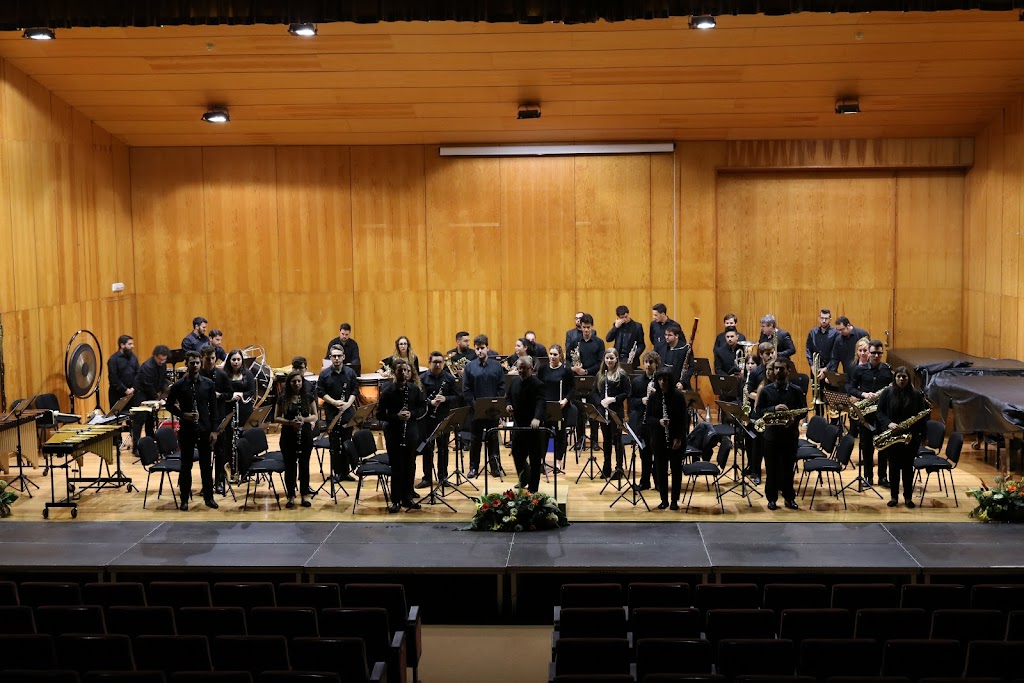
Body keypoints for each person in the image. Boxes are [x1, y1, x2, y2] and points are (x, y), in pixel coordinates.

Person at [165, 350, 219, 511]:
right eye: (192, 363)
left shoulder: (208, 384)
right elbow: (169, 405)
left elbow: (214, 409)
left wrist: (214, 431)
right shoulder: (178, 385)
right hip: (187, 430)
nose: (195, 365)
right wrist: (183, 414)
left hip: (204, 429)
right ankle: (184, 499)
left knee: (206, 466)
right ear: (186, 364)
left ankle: (209, 498)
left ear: (200, 363)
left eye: (197, 362)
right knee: (186, 466)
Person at [755, 358, 807, 511]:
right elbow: (759, 411)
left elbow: (803, 410)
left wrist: (793, 418)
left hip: (790, 435)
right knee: (771, 469)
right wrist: (774, 409)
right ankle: (771, 499)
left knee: (788, 469)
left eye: (781, 369)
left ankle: (789, 498)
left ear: (788, 371)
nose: (778, 371)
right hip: (771, 436)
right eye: (776, 368)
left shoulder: (796, 390)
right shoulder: (766, 390)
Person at [876, 366, 928, 508]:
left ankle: (908, 498)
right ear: (895, 378)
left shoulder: (916, 395)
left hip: (910, 437)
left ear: (908, 379)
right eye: (899, 376)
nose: (901, 379)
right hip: (893, 436)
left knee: (907, 468)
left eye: (904, 377)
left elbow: (922, 417)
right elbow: (879, 412)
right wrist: (889, 423)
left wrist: (923, 436)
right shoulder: (887, 392)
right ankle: (894, 497)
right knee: (893, 467)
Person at [378, 359, 426, 512]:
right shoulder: (387, 391)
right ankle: (396, 500)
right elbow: (380, 414)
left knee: (410, 465)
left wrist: (411, 414)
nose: (403, 373)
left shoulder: (414, 389)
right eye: (400, 370)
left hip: (411, 431)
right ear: (394, 372)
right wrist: (396, 416)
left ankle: (408, 498)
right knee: (397, 466)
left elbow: (423, 408)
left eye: (405, 370)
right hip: (394, 433)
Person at [848, 339, 894, 488]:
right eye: (873, 353)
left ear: (882, 354)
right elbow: (851, 388)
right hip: (866, 413)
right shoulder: (859, 370)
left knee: (883, 445)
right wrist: (863, 394)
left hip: (882, 414)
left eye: (878, 353)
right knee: (867, 446)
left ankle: (882, 477)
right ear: (868, 353)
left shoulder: (887, 370)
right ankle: (868, 476)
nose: (875, 356)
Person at [463, 335, 505, 478]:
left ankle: (495, 466)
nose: (480, 351)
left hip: (492, 411)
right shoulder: (469, 367)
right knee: (475, 439)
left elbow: (501, 387)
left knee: (493, 438)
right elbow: (466, 389)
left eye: (482, 348)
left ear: (487, 348)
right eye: (477, 349)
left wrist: (495, 404)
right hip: (476, 411)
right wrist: (475, 406)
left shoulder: (497, 366)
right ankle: (473, 467)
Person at [646, 368, 689, 510]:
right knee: (661, 470)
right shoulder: (653, 397)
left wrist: (679, 438)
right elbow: (648, 419)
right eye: (659, 380)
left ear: (670, 381)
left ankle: (674, 500)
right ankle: (663, 499)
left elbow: (684, 420)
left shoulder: (678, 396)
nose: (662, 382)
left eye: (665, 380)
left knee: (676, 470)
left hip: (676, 439)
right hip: (659, 439)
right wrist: (659, 422)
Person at [274, 370, 317, 508]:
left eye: (299, 381)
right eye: (294, 381)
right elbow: (276, 417)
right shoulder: (283, 398)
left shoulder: (308, 397)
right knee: (290, 466)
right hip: (288, 435)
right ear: (289, 383)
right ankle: (291, 496)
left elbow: (315, 416)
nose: (297, 384)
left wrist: (304, 419)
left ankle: (304, 494)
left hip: (304, 434)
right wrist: (290, 422)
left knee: (304, 465)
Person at [506, 356, 547, 492]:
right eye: (519, 368)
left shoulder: (538, 384)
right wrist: (509, 405)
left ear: (531, 368)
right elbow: (508, 398)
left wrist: (537, 418)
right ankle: (524, 479)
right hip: (519, 425)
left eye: (524, 368)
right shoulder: (514, 381)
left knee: (535, 459)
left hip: (533, 427)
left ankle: (533, 488)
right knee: (517, 454)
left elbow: (541, 403)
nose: (521, 371)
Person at [317, 345, 359, 483]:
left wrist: (347, 404)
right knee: (334, 445)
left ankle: (346, 472)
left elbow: (355, 390)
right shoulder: (324, 374)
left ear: (343, 357)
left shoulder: (350, 373)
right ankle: (337, 473)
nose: (336, 358)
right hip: (332, 413)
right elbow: (320, 392)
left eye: (339, 356)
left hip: (347, 413)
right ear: (330, 358)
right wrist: (334, 402)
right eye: (333, 356)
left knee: (346, 442)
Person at [417, 351, 457, 489]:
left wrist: (445, 399)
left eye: (440, 362)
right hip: (427, 419)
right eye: (435, 362)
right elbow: (419, 400)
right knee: (428, 449)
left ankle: (443, 477)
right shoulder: (422, 379)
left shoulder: (449, 378)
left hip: (443, 418)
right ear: (429, 362)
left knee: (443, 448)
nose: (438, 365)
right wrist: (430, 403)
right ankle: (427, 477)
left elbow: (457, 397)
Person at [218, 348, 255, 493]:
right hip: (228, 410)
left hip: (244, 410)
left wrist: (241, 395)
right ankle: (230, 471)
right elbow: (221, 392)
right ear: (229, 361)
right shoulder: (224, 375)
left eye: (238, 359)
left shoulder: (248, 374)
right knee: (228, 440)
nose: (236, 362)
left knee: (243, 439)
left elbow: (251, 392)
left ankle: (244, 469)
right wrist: (230, 397)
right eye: (233, 359)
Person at [595, 349, 630, 480]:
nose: (609, 360)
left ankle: (619, 468)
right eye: (607, 358)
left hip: (616, 412)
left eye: (612, 358)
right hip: (604, 412)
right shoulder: (600, 374)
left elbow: (627, 392)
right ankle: (606, 467)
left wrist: (613, 399)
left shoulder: (621, 375)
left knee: (617, 440)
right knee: (606, 440)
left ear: (616, 359)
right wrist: (601, 402)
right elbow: (594, 393)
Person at [629, 351, 662, 491]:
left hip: (657, 423)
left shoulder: (661, 381)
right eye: (646, 362)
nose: (648, 365)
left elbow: (668, 401)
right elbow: (630, 402)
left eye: (651, 362)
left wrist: (656, 395)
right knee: (645, 454)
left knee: (659, 454)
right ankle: (645, 482)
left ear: (656, 364)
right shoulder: (637, 381)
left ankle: (659, 482)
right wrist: (641, 400)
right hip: (642, 423)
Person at [538, 344, 573, 465]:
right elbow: (538, 386)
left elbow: (572, 388)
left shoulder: (566, 369)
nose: (552, 357)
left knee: (560, 434)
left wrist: (565, 400)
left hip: (561, 407)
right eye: (551, 354)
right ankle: (541, 460)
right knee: (544, 434)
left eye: (555, 354)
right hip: (546, 406)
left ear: (560, 355)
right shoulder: (542, 369)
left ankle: (558, 461)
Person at [131, 344, 170, 451]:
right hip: (141, 393)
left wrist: (166, 391)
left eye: (164, 360)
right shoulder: (148, 366)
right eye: (160, 359)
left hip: (150, 392)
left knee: (151, 419)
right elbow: (148, 386)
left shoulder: (163, 365)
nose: (162, 362)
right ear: (155, 356)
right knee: (140, 419)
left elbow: (162, 380)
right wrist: (158, 399)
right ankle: (136, 447)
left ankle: (150, 445)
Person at [107, 334, 139, 413]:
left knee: (133, 417)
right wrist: (125, 390)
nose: (132, 346)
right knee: (117, 418)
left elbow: (138, 373)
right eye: (130, 344)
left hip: (132, 393)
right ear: (122, 345)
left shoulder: (133, 357)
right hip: (117, 394)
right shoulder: (113, 359)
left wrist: (133, 388)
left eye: (132, 344)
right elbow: (113, 377)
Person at [805, 308, 838, 378]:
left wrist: (826, 369)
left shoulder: (835, 333)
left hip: (830, 370)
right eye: (822, 318)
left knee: (831, 389)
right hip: (815, 369)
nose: (824, 321)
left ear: (830, 319)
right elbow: (808, 350)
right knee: (815, 389)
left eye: (826, 318)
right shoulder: (812, 332)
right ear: (819, 318)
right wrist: (812, 366)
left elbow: (835, 354)